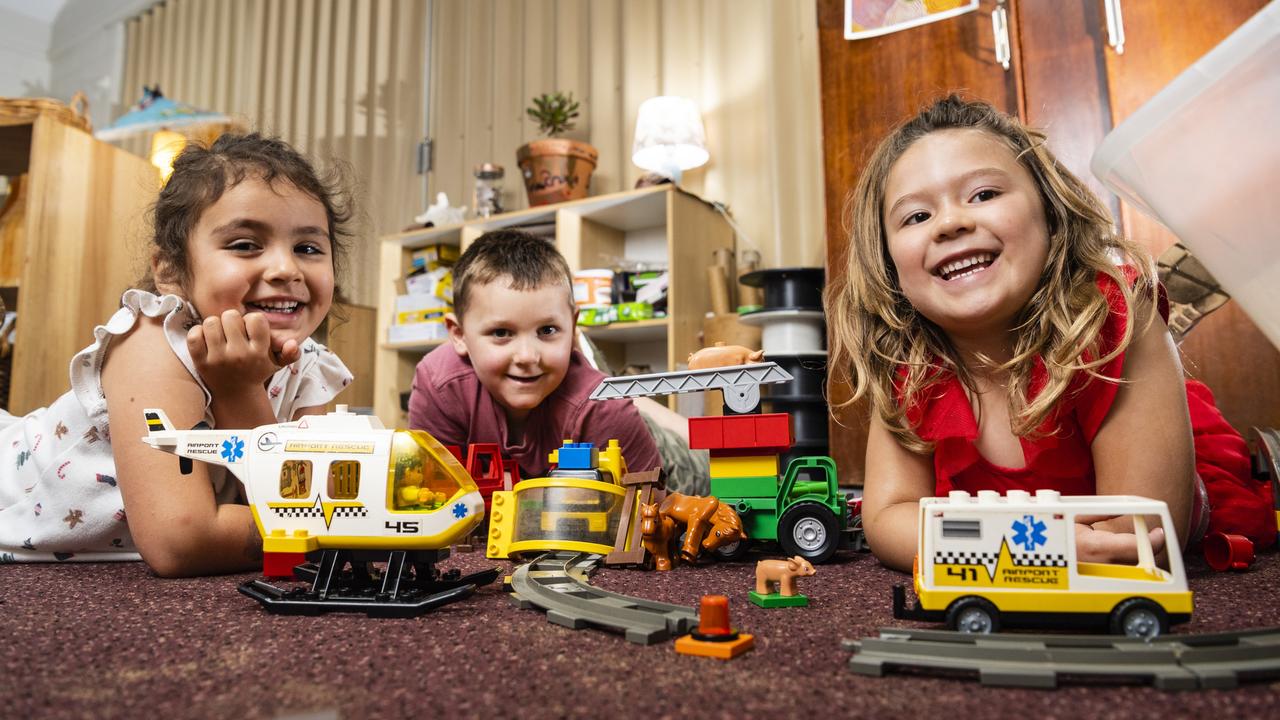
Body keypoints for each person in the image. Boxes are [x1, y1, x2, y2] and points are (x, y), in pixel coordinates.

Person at [826, 95, 1274, 572]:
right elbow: (887, 518)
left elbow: (1146, 534)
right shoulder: (905, 363)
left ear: (1051, 215)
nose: (952, 223)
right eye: (917, 217)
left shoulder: (1117, 319)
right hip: (1030, 520)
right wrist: (1030, 549)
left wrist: (977, 545)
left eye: (984, 194)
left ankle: (1169, 345)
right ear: (888, 265)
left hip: (1178, 472)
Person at [0, 134, 354, 576]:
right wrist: (239, 389)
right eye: (245, 244)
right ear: (169, 270)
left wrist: (316, 518)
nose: (286, 268)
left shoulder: (309, 364)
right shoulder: (152, 342)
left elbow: (295, 497)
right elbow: (183, 542)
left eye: (308, 248)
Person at [408, 230, 660, 479]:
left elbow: (652, 507)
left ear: (573, 328)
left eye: (547, 330)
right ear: (459, 335)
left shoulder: (606, 410)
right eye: (501, 332)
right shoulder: (439, 383)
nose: (527, 356)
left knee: (661, 424)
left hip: (666, 455)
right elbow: (434, 495)